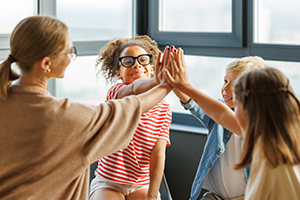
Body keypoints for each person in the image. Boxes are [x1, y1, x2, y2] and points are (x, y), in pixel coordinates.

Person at [0, 16, 172, 200]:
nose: (71, 57)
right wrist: (168, 83)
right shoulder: (68, 118)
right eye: (68, 51)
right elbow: (131, 106)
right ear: (46, 64)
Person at [165, 50, 300, 199]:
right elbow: (221, 114)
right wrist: (183, 86)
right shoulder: (280, 130)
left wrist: (186, 86)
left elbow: (222, 114)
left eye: (240, 97)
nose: (235, 111)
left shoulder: (267, 137)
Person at [89, 36, 172, 200]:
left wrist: (153, 194)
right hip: (108, 182)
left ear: (152, 68)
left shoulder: (164, 108)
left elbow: (158, 153)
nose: (136, 64)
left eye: (143, 60)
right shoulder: (117, 93)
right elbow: (134, 89)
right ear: (118, 73)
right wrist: (160, 81)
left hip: (140, 184)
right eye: (128, 61)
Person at [232, 67, 300, 200]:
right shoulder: (290, 140)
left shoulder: (268, 160)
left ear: (250, 110)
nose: (234, 113)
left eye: (235, 105)